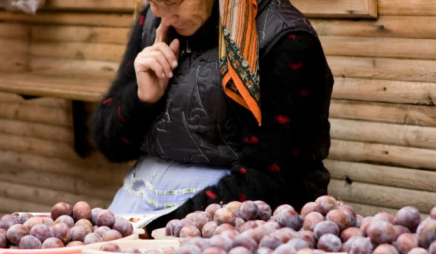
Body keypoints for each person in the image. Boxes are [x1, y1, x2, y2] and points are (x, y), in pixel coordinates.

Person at [92, 0, 334, 235]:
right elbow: (110, 145)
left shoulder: (284, 39)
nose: (165, 18)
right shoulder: (153, 19)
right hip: (139, 207)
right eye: (155, 3)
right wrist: (142, 99)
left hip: (223, 220)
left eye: (175, 3)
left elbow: (273, 181)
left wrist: (157, 229)